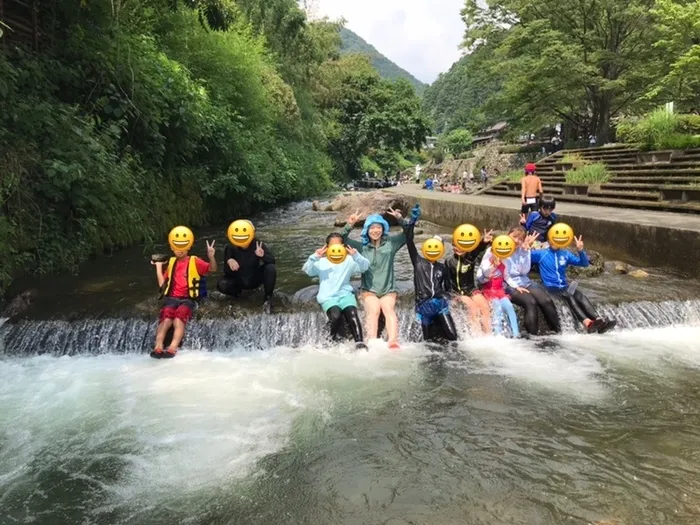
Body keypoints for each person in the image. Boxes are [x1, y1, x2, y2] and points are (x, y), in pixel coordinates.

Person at [341, 206, 415, 349]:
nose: (375, 230)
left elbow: (409, 234)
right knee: (374, 310)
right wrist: (349, 224)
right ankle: (372, 341)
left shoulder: (391, 244)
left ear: (383, 229)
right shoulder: (361, 247)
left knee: (388, 309)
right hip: (369, 290)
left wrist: (400, 219)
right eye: (372, 228)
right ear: (367, 230)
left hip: (388, 289)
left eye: (378, 227)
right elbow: (341, 240)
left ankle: (393, 341)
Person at [531, 225, 617, 333]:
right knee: (569, 297)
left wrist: (581, 251)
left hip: (564, 285)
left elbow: (584, 263)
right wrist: (526, 247)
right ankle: (587, 323)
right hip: (550, 287)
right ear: (549, 239)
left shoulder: (565, 254)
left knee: (580, 295)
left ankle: (598, 320)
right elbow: (524, 258)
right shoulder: (541, 254)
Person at [151, 226, 217, 358]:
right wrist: (158, 268)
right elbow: (162, 285)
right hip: (172, 298)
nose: (180, 250)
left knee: (178, 318)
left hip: (188, 299)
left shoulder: (195, 261)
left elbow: (212, 269)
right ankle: (158, 346)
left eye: (183, 247)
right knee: (166, 318)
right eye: (177, 247)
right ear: (172, 248)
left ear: (189, 247)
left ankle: (173, 347)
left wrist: (211, 256)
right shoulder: (171, 262)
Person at [303, 233, 370, 349]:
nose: (335, 248)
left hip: (345, 295)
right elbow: (307, 271)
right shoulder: (321, 262)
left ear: (343, 246)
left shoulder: (349, 260)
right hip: (328, 297)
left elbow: (365, 267)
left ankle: (359, 342)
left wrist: (356, 256)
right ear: (327, 247)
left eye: (338, 245)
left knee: (352, 313)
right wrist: (314, 257)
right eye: (332, 245)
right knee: (336, 315)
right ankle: (329, 340)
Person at [405, 215, 458, 343]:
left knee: (452, 336)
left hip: (440, 305)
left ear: (441, 250)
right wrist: (411, 224)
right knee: (426, 342)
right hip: (423, 305)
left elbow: (447, 287)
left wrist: (450, 297)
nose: (433, 249)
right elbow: (409, 242)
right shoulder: (418, 262)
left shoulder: (442, 267)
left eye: (438, 247)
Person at [505, 226, 561, 335]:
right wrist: (515, 286)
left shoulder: (523, 249)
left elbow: (524, 271)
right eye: (514, 237)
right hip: (507, 283)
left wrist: (525, 252)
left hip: (524, 281)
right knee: (530, 302)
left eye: (520, 239)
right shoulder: (501, 247)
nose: (517, 241)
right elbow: (504, 274)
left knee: (546, 300)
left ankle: (559, 332)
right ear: (508, 235)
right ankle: (532, 337)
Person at [217, 219, 276, 313]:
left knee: (270, 268)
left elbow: (272, 261)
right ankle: (236, 296)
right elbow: (227, 272)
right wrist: (229, 262)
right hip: (238, 280)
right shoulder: (230, 247)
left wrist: (262, 256)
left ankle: (268, 298)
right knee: (222, 284)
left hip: (253, 278)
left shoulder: (257, 244)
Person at [444, 224, 494, 335]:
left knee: (485, 306)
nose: (458, 248)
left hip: (470, 289)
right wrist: (450, 296)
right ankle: (476, 336)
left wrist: (484, 241)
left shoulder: (470, 257)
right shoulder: (449, 261)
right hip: (457, 292)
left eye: (461, 245)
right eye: (455, 245)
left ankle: (488, 335)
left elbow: (478, 249)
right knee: (472, 307)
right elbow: (446, 282)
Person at [476, 240, 521, 338]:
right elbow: (483, 278)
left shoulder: (505, 263)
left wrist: (516, 286)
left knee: (509, 306)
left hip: (500, 291)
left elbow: (507, 277)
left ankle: (516, 333)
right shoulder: (485, 263)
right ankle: (497, 333)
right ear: (491, 252)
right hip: (488, 291)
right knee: (496, 306)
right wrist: (494, 266)